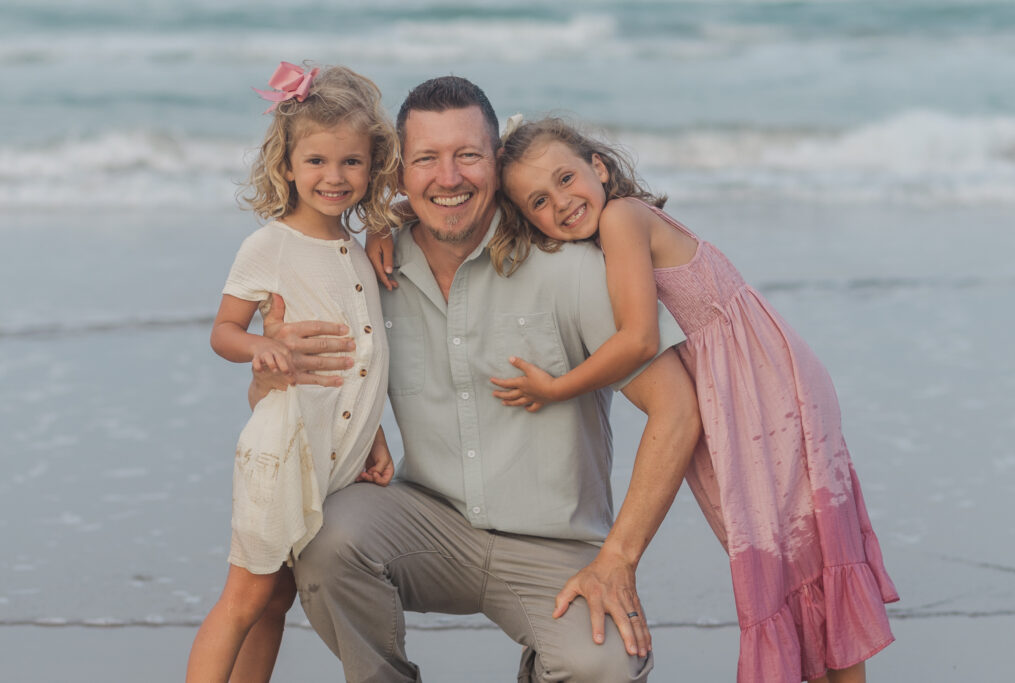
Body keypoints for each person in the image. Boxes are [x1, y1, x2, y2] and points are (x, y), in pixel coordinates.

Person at [254, 76, 702, 682]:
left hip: (556, 547)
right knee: (325, 537)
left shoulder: (569, 270)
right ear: (399, 173)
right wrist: (272, 366)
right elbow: (274, 400)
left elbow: (676, 408)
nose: (449, 177)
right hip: (426, 524)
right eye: (427, 160)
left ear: (496, 161)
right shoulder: (363, 274)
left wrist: (619, 558)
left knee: (607, 668)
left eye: (467, 155)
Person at [486, 116, 900, 683]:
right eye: (538, 199)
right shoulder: (613, 227)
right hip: (742, 393)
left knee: (798, 558)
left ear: (599, 167)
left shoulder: (621, 218)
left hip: (764, 396)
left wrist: (557, 387)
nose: (560, 202)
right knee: (796, 560)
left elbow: (639, 338)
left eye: (565, 178)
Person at [185, 62, 400, 683]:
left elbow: (361, 356)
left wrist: (374, 430)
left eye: (351, 163)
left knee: (277, 599)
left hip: (331, 451)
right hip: (283, 449)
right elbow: (223, 331)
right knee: (245, 599)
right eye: (316, 162)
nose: (334, 177)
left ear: (372, 165)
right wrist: (261, 350)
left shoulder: (356, 247)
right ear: (286, 165)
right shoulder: (270, 245)